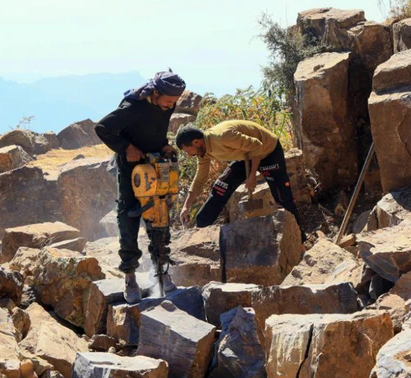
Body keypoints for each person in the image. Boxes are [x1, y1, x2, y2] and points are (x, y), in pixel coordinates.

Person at [94, 70, 186, 303]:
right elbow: (103, 128)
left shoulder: (166, 103)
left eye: (173, 103)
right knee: (129, 216)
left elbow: (156, 129)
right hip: (130, 168)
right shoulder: (132, 106)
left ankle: (161, 273)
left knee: (160, 214)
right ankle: (130, 276)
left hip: (156, 164)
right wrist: (126, 147)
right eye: (167, 102)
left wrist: (164, 145)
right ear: (155, 93)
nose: (170, 107)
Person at [175, 120, 306, 242]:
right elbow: (200, 179)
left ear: (196, 142)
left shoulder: (223, 136)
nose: (189, 155)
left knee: (282, 196)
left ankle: (300, 240)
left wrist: (252, 175)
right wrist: (186, 206)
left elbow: (257, 146)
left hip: (268, 152)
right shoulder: (203, 151)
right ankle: (201, 229)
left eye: (188, 151)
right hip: (245, 157)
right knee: (220, 187)